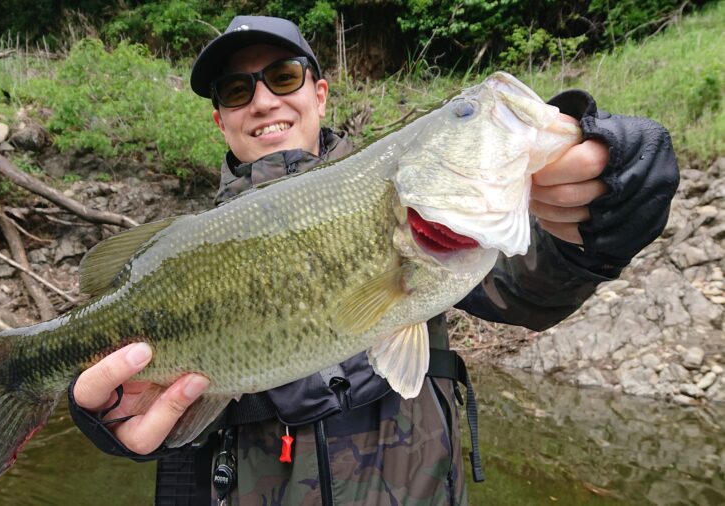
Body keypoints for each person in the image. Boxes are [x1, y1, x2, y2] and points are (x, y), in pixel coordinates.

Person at [67, 15, 678, 506]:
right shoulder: (178, 258)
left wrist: (614, 209)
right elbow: (143, 396)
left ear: (319, 93)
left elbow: (533, 291)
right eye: (236, 90)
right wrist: (103, 416)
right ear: (220, 117)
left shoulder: (419, 217)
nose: (262, 101)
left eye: (282, 77)